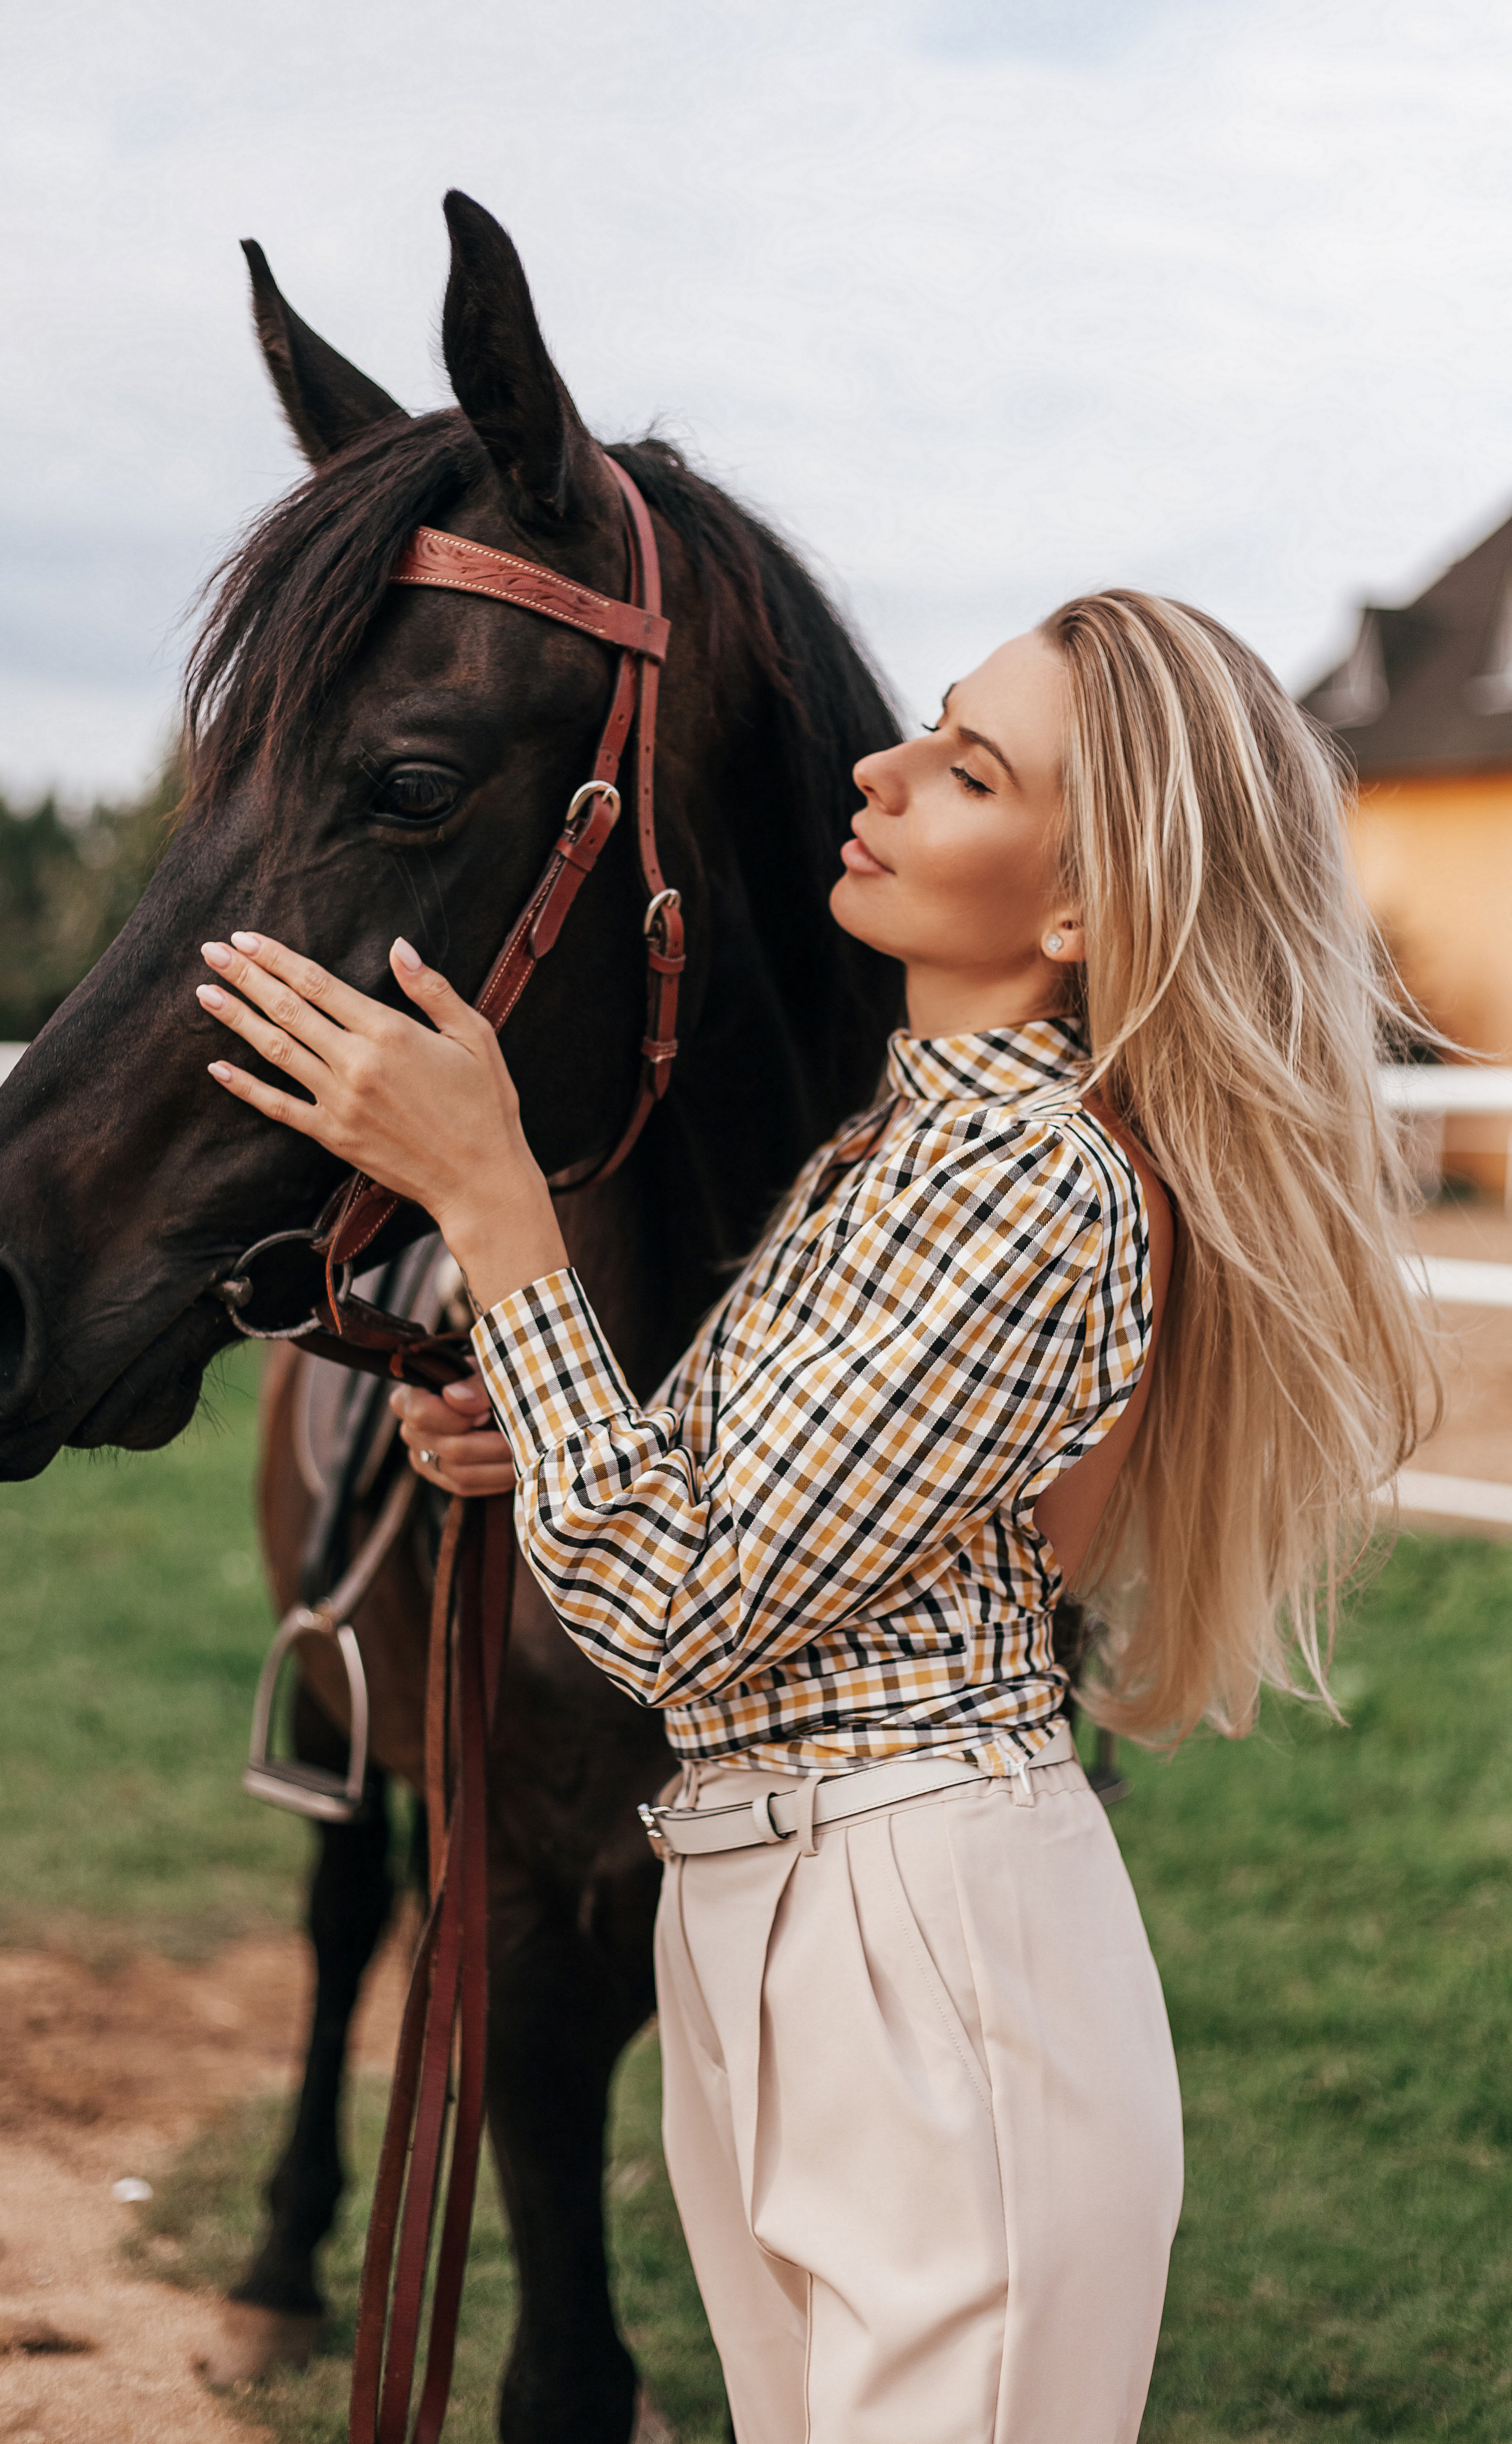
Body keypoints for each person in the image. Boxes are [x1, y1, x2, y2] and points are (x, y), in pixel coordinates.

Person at [195, 590, 1431, 2443]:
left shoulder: (1027, 1185)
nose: (884, 768)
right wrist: (554, 1436)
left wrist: (492, 1197)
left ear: (1084, 911)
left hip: (914, 1941)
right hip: (774, 1904)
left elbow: (671, 1612)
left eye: (966, 767)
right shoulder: (898, 1152)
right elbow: (763, 1509)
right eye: (928, 728)